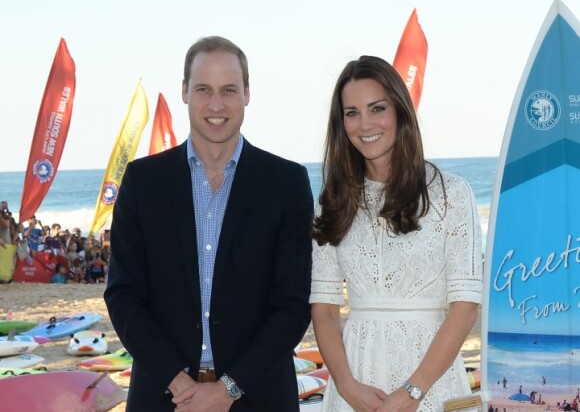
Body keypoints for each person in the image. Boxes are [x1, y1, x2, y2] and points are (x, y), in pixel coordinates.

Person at [104, 36, 314, 411]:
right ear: (185, 91)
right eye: (204, 89)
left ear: (247, 93)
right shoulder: (142, 182)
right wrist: (180, 384)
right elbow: (124, 297)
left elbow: (292, 307)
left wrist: (226, 390)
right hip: (163, 396)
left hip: (258, 396)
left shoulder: (286, 183)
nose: (216, 104)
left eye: (229, 90)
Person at [310, 55, 483, 411]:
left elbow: (465, 307)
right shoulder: (333, 202)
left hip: (431, 383)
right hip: (355, 385)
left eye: (377, 108)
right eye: (352, 112)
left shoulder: (451, 193)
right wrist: (346, 386)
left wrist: (412, 392)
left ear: (400, 111)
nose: (365, 124)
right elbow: (324, 309)